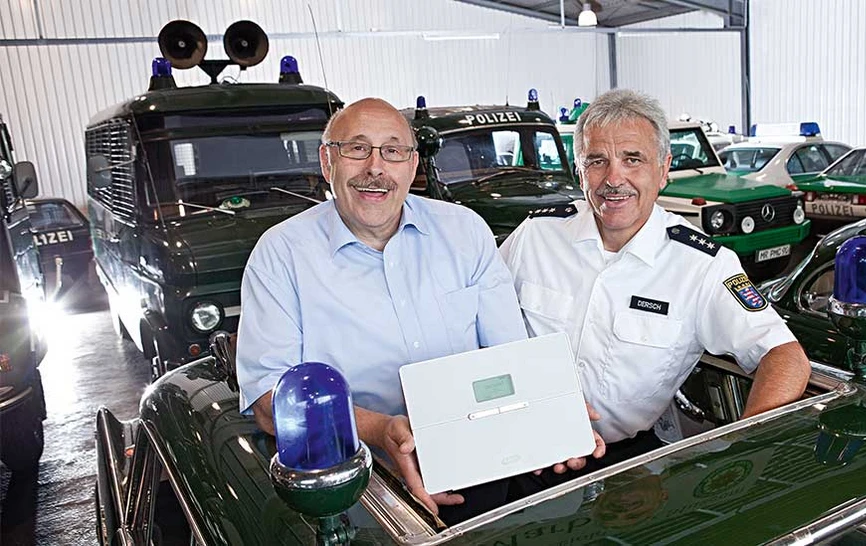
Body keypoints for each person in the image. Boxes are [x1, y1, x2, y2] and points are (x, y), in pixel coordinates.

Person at [235, 98, 535, 521]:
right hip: (360, 489)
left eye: (393, 151)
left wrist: (551, 418)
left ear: (412, 167)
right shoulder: (281, 255)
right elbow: (270, 401)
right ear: (327, 161)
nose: (376, 167)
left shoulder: (464, 231)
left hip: (479, 469)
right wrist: (378, 429)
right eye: (357, 149)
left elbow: (510, 358)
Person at [499, 89, 811, 491]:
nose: (614, 179)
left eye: (633, 159)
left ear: (663, 170)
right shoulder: (535, 237)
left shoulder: (701, 265)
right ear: (579, 172)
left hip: (626, 471)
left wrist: (744, 450)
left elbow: (785, 357)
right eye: (597, 161)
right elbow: (475, 330)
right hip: (518, 445)